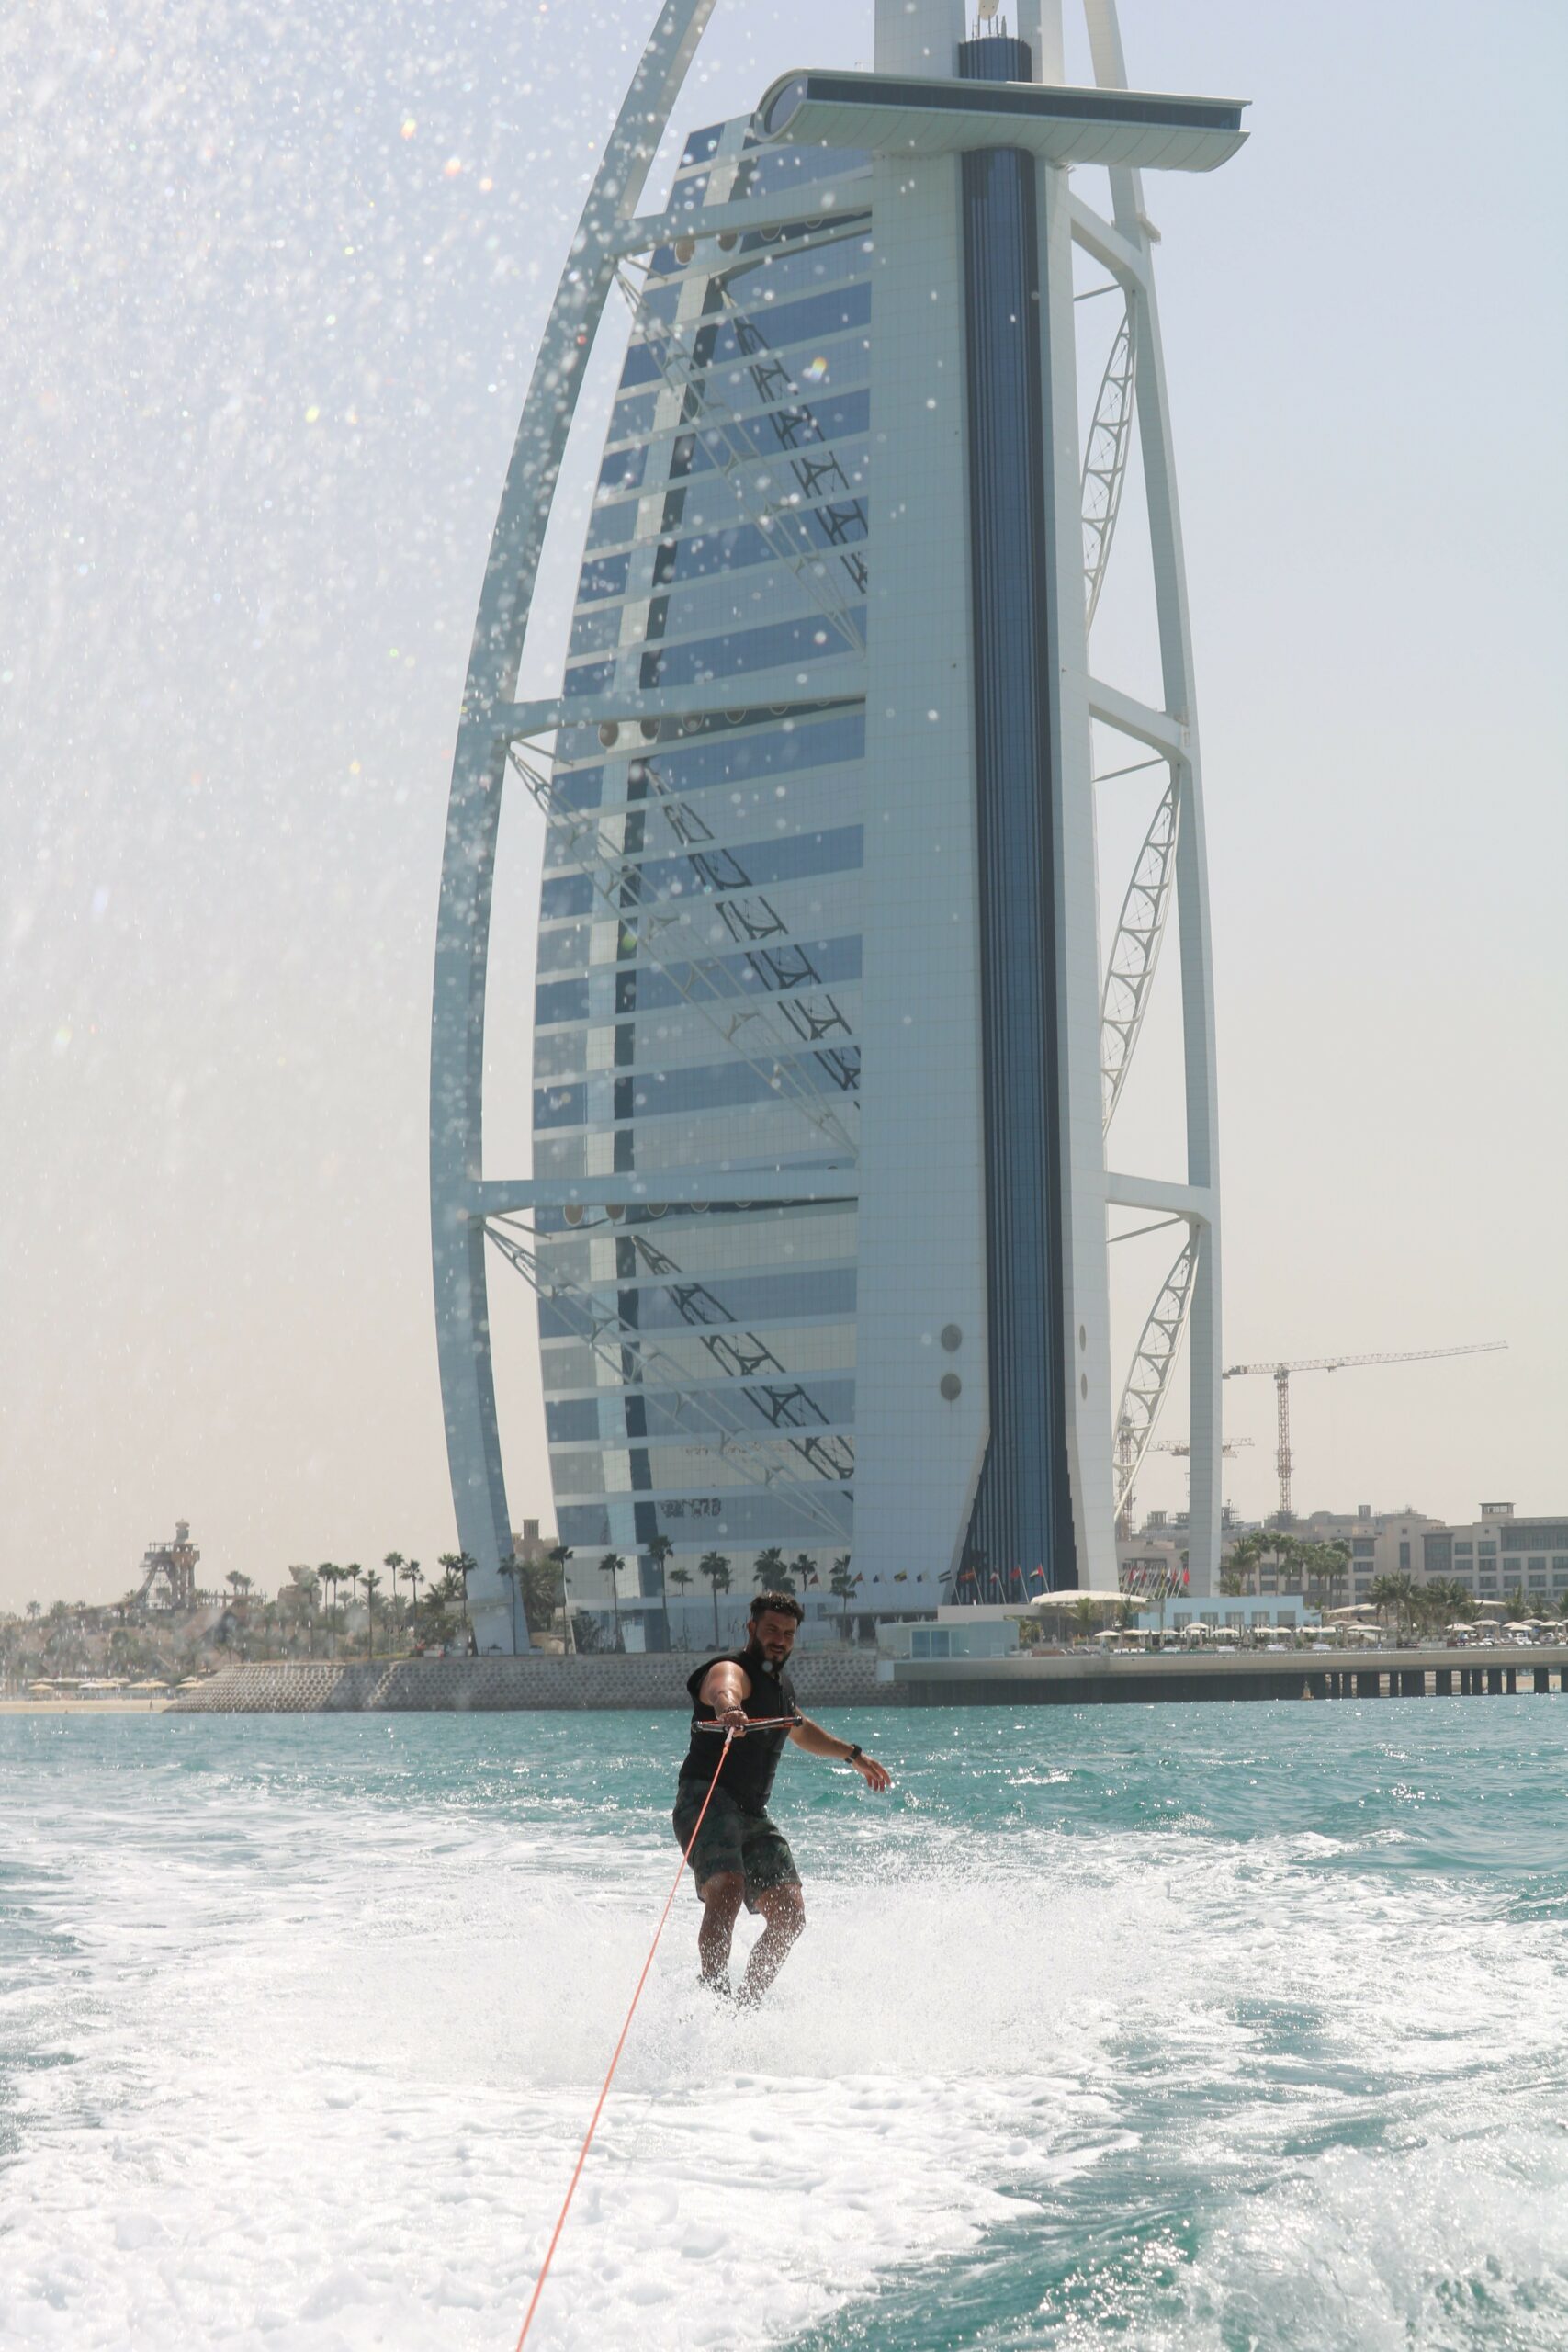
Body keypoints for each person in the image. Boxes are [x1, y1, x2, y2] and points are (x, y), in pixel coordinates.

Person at [672, 1589, 891, 2004]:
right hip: (705, 1799)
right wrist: (728, 1709)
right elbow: (723, 1688)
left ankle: (746, 2007)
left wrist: (853, 1755)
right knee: (729, 1885)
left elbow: (799, 1727)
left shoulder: (780, 1684)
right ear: (752, 1628)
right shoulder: (731, 1669)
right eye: (771, 1630)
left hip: (752, 1812)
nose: (780, 1640)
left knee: (789, 1916)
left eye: (788, 1633)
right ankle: (713, 1997)